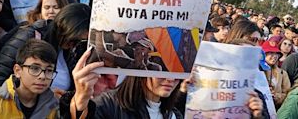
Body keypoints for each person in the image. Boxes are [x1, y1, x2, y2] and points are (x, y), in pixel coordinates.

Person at [67, 49, 265, 118]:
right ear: (141, 70)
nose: (170, 78)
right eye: (162, 71)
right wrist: (80, 101)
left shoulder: (174, 114)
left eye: (176, 73)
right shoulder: (109, 105)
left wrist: (251, 115)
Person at [0, 0, 69, 88]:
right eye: (46, 7)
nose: (51, 11)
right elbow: (3, 68)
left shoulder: (66, 40)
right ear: (40, 11)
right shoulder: (28, 33)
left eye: (56, 7)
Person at [0, 39, 59, 119]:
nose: (42, 76)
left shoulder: (51, 107)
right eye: (35, 68)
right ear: (18, 70)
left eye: (49, 70)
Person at [261, 41, 290, 108]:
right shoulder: (257, 71)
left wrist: (277, 97)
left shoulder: (283, 73)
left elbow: (288, 94)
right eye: (271, 53)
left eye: (276, 53)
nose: (274, 56)